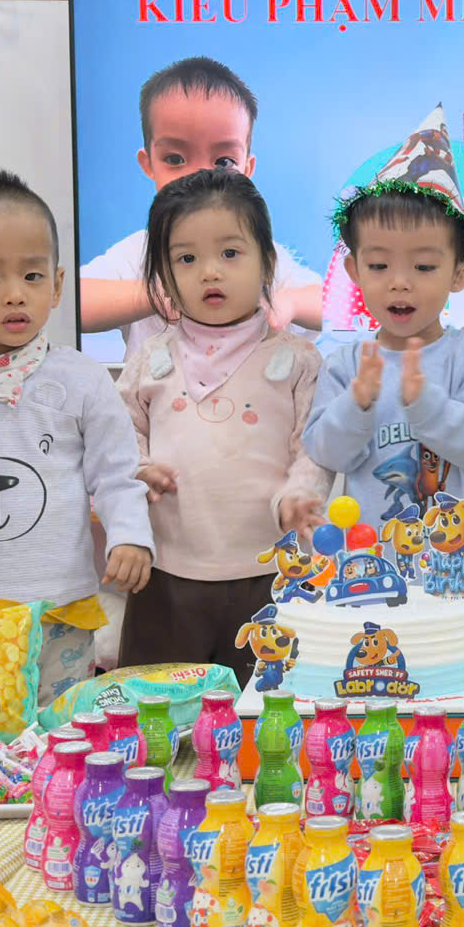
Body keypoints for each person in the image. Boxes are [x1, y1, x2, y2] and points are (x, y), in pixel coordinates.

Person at [0, 170, 153, 704]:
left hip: (61, 605)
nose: (15, 295)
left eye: (32, 276)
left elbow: (117, 472)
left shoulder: (81, 378)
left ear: (56, 286)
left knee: (63, 728)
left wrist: (129, 535)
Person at [118, 167, 330, 682]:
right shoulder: (150, 358)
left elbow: (313, 448)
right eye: (186, 259)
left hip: (272, 577)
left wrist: (299, 494)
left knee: (267, 713)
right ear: (164, 275)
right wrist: (137, 469)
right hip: (167, 576)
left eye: (230, 253)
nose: (210, 272)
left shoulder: (298, 360)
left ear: (267, 262)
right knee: (159, 715)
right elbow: (120, 436)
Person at [304, 166, 464, 594]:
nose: (399, 283)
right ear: (354, 270)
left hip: (460, 568)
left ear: (458, 274)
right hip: (373, 566)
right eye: (379, 265)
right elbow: (327, 453)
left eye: (423, 266)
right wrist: (355, 405)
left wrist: (426, 406)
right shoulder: (347, 365)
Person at [78, 58, 324, 350]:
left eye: (223, 162)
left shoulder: (256, 252)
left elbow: (334, 303)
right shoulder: (140, 253)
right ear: (149, 164)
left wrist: (289, 301)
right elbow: (72, 303)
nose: (200, 174)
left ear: (247, 169)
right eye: (175, 159)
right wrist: (157, 295)